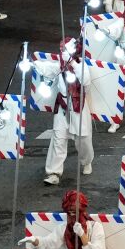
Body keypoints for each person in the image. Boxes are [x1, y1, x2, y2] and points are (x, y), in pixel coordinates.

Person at [37, 35, 95, 184]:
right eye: (60, 48)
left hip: (78, 107)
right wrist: (32, 63)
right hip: (62, 107)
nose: (61, 50)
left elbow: (86, 81)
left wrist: (73, 64)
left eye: (64, 48)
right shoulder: (59, 65)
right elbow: (47, 69)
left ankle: (86, 161)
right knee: (58, 138)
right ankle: (54, 173)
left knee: (83, 140)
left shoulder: (81, 64)